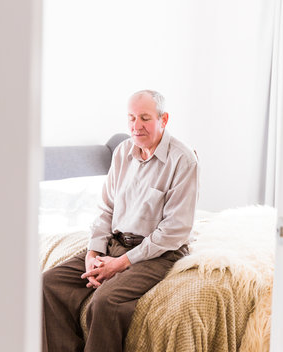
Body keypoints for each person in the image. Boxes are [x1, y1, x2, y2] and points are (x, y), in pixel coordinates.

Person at [42, 90, 200, 352]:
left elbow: (173, 232)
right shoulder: (122, 151)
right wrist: (94, 252)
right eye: (131, 118)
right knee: (48, 284)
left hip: (159, 253)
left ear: (164, 119)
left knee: (104, 302)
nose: (136, 126)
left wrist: (119, 265)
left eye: (145, 118)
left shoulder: (183, 160)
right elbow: (106, 209)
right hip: (115, 244)